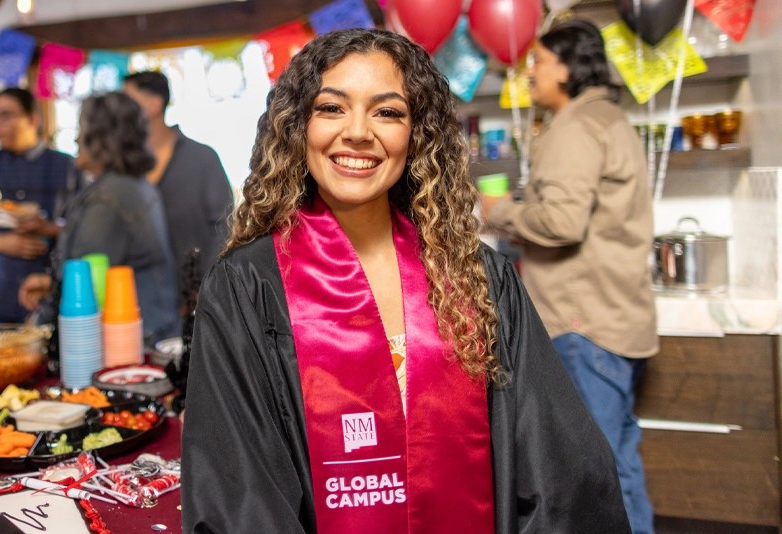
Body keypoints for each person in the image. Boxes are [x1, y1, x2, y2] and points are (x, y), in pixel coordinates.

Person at [182, 28, 629, 533]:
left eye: (387, 112)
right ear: (297, 125)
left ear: (417, 134)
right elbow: (241, 493)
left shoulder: (479, 277)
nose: (357, 132)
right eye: (331, 107)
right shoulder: (247, 289)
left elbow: (558, 471)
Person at [480, 20, 658, 534]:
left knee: (592, 473)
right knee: (619, 463)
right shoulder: (609, 117)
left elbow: (561, 223)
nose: (529, 73)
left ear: (567, 66)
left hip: (583, 325)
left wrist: (499, 209)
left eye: (537, 62)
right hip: (614, 318)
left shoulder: (576, 126)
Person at [19, 91, 178, 344]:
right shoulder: (131, 186)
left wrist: (36, 328)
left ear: (102, 138)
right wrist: (50, 283)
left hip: (129, 344)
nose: (76, 138)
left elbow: (85, 278)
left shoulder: (110, 198)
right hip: (150, 331)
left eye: (82, 128)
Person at [122, 71, 234, 288]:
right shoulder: (123, 167)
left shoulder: (202, 159)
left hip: (196, 301)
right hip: (138, 302)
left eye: (127, 102)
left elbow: (225, 229)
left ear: (154, 105)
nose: (118, 112)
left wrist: (204, 290)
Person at [0, 87, 79, 324]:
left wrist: (49, 229)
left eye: (5, 115)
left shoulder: (65, 167)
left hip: (48, 295)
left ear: (33, 119)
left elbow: (86, 232)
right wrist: (4, 243)